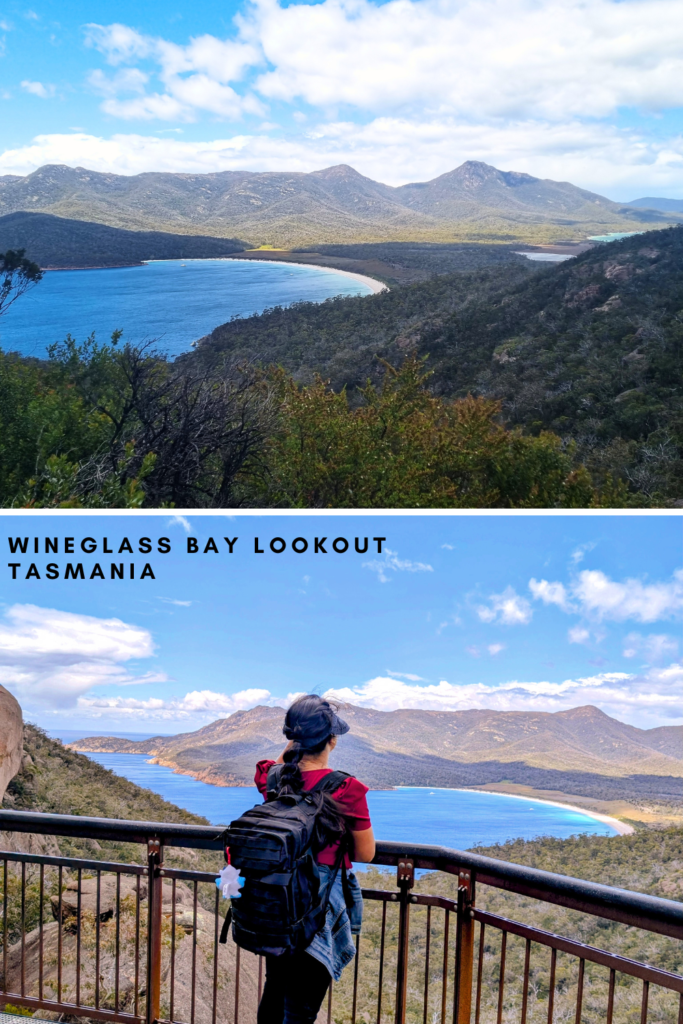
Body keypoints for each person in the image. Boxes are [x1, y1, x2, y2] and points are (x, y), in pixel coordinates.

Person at [253, 694, 375, 1024]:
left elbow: (274, 766)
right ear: (331, 740)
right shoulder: (347, 788)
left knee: (275, 988)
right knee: (302, 1007)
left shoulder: (274, 778)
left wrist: (293, 745)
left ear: (294, 738)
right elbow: (366, 852)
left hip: (277, 899)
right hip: (318, 907)